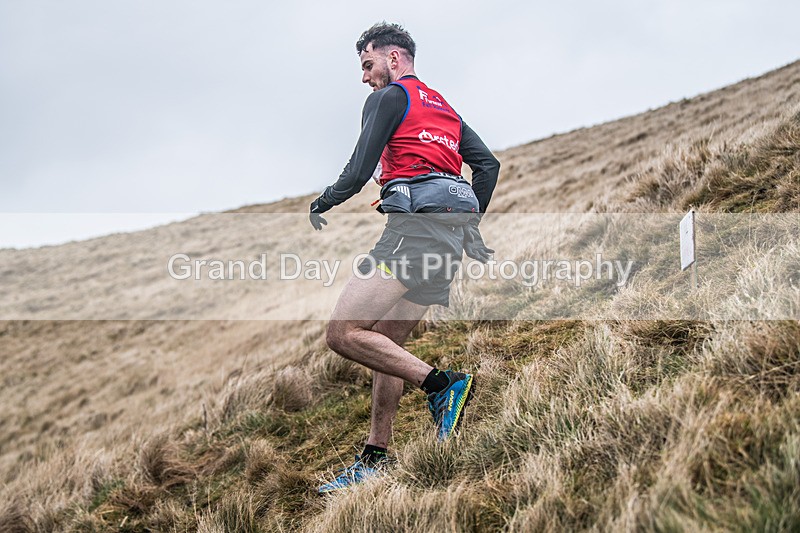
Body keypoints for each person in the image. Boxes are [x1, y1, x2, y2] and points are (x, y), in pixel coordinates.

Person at [309, 22, 499, 493]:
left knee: (343, 333)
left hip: (412, 234)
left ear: (394, 59)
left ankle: (443, 386)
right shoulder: (444, 107)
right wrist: (468, 223)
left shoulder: (388, 98)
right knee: (386, 345)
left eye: (367, 64)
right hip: (450, 240)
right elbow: (487, 165)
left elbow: (358, 171)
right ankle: (375, 457)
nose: (365, 77)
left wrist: (324, 201)